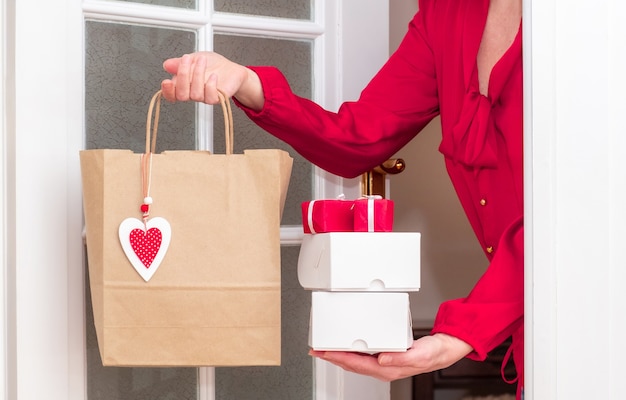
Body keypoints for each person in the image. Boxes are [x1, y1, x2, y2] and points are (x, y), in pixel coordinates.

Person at [161, 0, 524, 398]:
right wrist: (249, 84)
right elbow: (356, 139)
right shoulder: (446, 13)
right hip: (528, 327)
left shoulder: (592, 23)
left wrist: (461, 333)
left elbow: (579, 219)